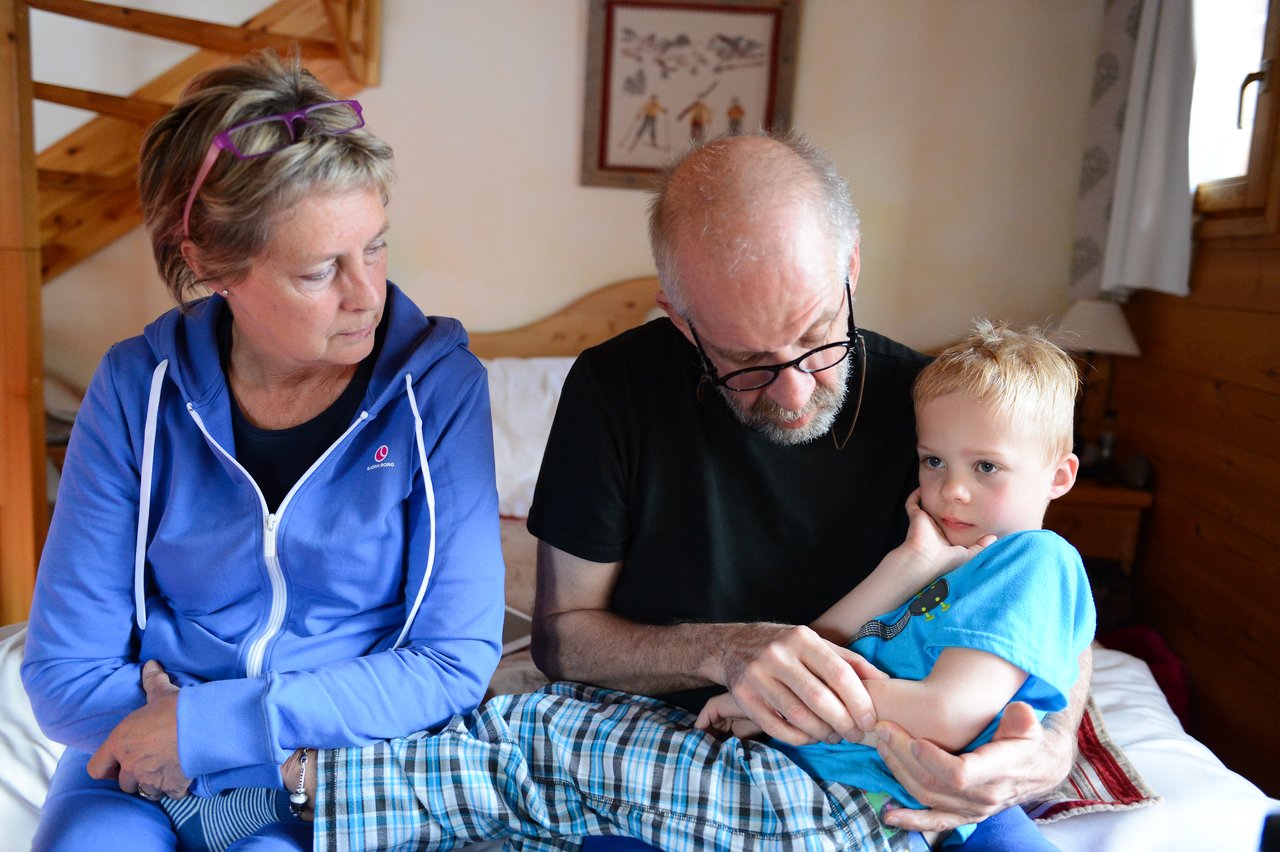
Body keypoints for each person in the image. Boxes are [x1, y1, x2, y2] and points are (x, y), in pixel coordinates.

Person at [155, 321, 1091, 851]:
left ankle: (287, 783)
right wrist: (897, 572)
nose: (950, 491)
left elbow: (945, 712)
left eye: (985, 469)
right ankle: (280, 801)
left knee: (541, 748)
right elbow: (825, 645)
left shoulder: (1036, 562)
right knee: (539, 750)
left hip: (839, 811)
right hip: (797, 768)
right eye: (934, 462)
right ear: (682, 315)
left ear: (1059, 476)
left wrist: (799, 704)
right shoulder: (942, 554)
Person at [527, 130, 1091, 840]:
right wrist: (724, 652)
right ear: (681, 321)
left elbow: (1039, 593)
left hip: (883, 760)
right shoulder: (615, 390)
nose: (795, 393)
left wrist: (1051, 748)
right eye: (746, 361)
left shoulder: (937, 416)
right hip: (684, 737)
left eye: (818, 336)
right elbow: (561, 638)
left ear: (850, 267)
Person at [20, 50, 505, 851]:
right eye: (319, 272)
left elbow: (452, 663)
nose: (367, 295)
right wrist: (169, 740)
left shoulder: (440, 390)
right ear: (211, 267)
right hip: (133, 754)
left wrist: (210, 730)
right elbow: (63, 674)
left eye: (375, 247)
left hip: (320, 769)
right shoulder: (136, 387)